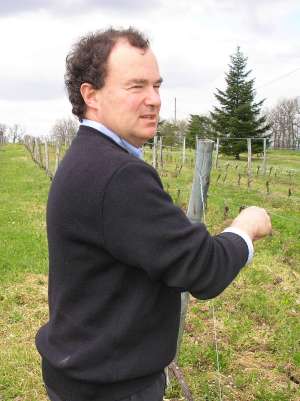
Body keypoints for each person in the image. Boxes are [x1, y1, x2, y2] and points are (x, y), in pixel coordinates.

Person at [35, 27, 272, 401]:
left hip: (82, 372)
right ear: (90, 95)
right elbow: (203, 269)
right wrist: (246, 227)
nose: (154, 100)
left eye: (157, 86)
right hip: (112, 388)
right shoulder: (117, 175)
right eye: (136, 87)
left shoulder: (86, 157)